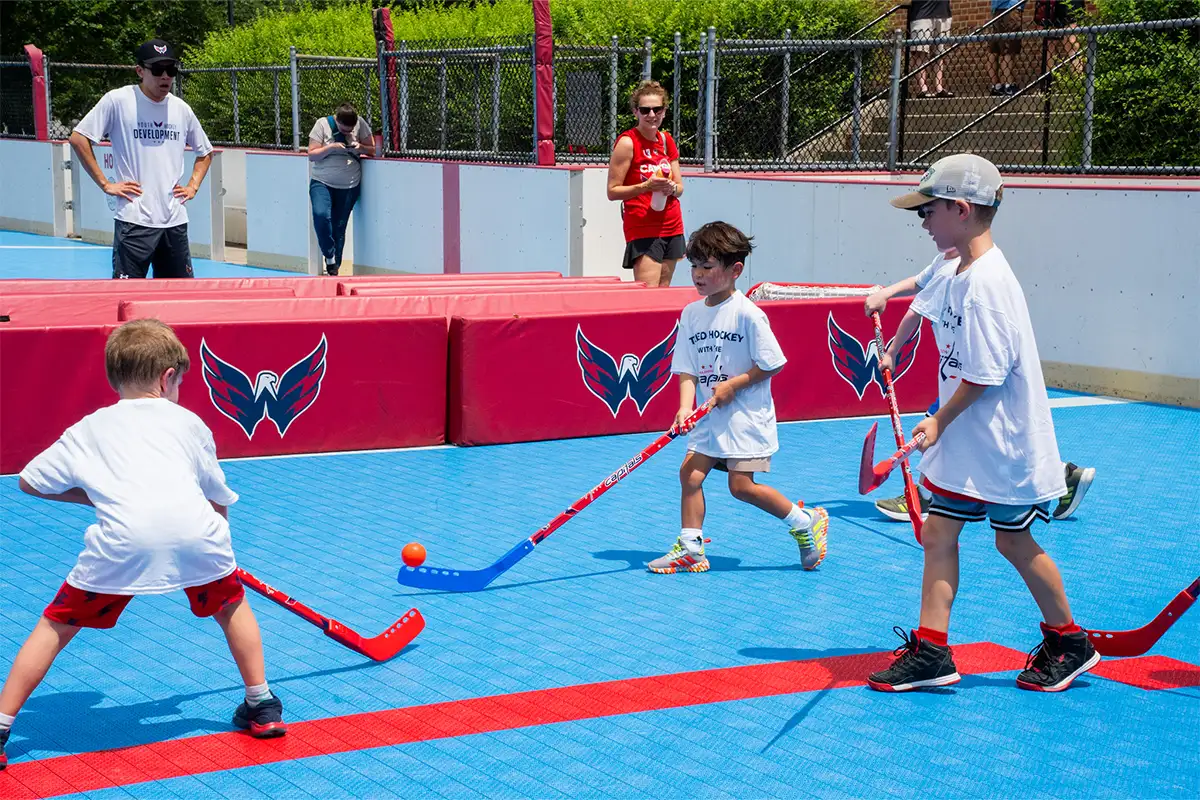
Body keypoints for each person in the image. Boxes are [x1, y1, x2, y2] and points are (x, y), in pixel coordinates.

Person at [0, 320, 286, 771]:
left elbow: (29, 482)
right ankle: (262, 704)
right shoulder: (189, 422)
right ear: (167, 377)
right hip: (199, 536)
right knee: (231, 606)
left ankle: (0, 725)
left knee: (56, 626)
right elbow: (215, 494)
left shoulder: (90, 427)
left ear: (114, 376)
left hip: (122, 544)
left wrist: (93, 494)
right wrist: (220, 553)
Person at [865, 154, 1099, 693]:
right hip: (970, 440)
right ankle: (932, 651)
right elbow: (923, 308)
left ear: (962, 211)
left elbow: (987, 375)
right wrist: (902, 353)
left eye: (929, 209)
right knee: (939, 533)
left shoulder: (987, 284)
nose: (922, 220)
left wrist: (937, 420)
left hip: (1000, 444)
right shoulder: (954, 268)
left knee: (1013, 542)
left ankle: (1069, 640)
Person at [647, 222, 829, 575]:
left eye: (707, 267)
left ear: (735, 270)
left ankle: (805, 521)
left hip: (746, 417)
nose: (698, 275)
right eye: (694, 266)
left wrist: (735, 385)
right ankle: (691, 549)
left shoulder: (748, 314)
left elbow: (772, 363)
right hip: (707, 417)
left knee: (741, 487)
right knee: (690, 475)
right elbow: (686, 369)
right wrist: (685, 407)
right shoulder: (691, 314)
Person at [866, 254, 1096, 524]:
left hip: (971, 375)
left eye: (931, 212)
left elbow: (914, 312)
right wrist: (888, 293)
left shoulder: (958, 272)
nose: (926, 223)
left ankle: (925, 498)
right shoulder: (946, 261)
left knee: (936, 434)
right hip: (959, 373)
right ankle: (1064, 475)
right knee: (984, 446)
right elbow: (918, 281)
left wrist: (892, 352)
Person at [69, 39, 213, 279]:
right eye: (157, 70)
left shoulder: (181, 109)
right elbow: (78, 138)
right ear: (140, 71)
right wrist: (106, 184)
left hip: (173, 221)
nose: (165, 76)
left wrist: (193, 186)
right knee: (128, 294)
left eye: (171, 70)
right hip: (134, 221)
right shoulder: (118, 101)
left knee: (179, 296)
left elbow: (205, 152)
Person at [606, 80, 684, 288]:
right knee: (649, 294)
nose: (652, 115)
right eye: (645, 110)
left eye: (657, 109)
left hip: (671, 223)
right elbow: (612, 191)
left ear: (664, 111)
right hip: (642, 225)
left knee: (664, 292)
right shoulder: (627, 142)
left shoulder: (667, 140)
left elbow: (680, 187)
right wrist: (646, 187)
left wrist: (671, 188)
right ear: (635, 112)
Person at [308, 103, 375, 276]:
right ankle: (329, 254)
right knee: (321, 215)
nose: (347, 133)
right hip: (322, 181)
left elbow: (374, 150)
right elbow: (312, 154)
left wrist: (359, 147)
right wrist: (331, 148)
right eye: (343, 130)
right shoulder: (322, 125)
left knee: (339, 226)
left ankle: (333, 267)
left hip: (349, 184)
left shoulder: (360, 124)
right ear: (336, 120)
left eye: (350, 130)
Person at [908, 0, 955, 97]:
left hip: (942, 13)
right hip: (921, 13)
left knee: (939, 53)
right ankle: (923, 89)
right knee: (919, 51)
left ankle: (939, 88)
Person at [988, 0, 1025, 96]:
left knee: (994, 50)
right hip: (1010, 8)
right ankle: (1009, 86)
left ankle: (996, 86)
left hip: (996, 10)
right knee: (1009, 49)